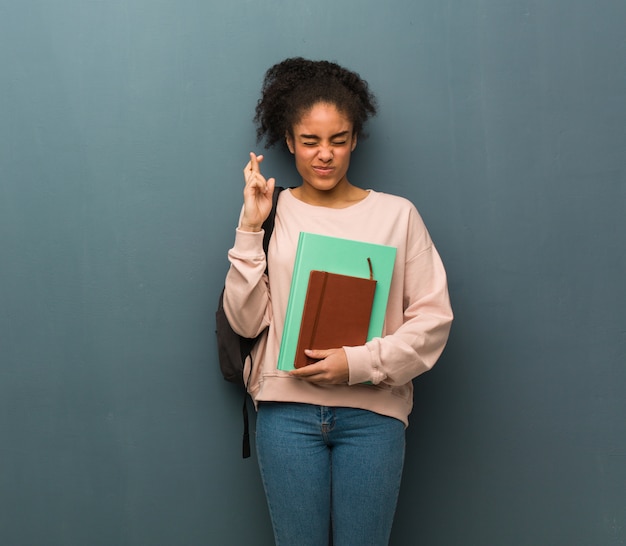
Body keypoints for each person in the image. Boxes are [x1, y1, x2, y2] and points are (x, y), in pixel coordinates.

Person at [223, 57, 453, 546]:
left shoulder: (397, 215)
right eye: (310, 141)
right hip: (286, 414)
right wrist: (248, 228)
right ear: (289, 142)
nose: (324, 154)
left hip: (372, 416)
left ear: (354, 140)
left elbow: (432, 321)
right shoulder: (273, 213)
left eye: (338, 140)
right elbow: (245, 323)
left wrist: (357, 362)